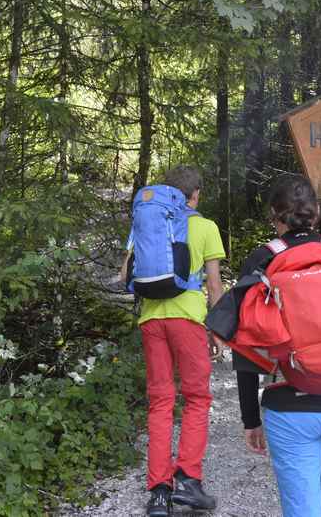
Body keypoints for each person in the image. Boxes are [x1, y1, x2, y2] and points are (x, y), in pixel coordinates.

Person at [221, 175, 321, 517]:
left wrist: (251, 419)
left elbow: (247, 347)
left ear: (274, 216)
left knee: (303, 511)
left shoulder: (261, 261)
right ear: (318, 212)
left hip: (291, 404)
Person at [121, 165, 225, 517]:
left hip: (152, 320)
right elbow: (213, 285)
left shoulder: (146, 222)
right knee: (196, 397)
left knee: (161, 402)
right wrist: (220, 329)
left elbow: (125, 275)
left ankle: (159, 494)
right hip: (188, 320)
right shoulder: (206, 226)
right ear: (195, 194)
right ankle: (189, 481)